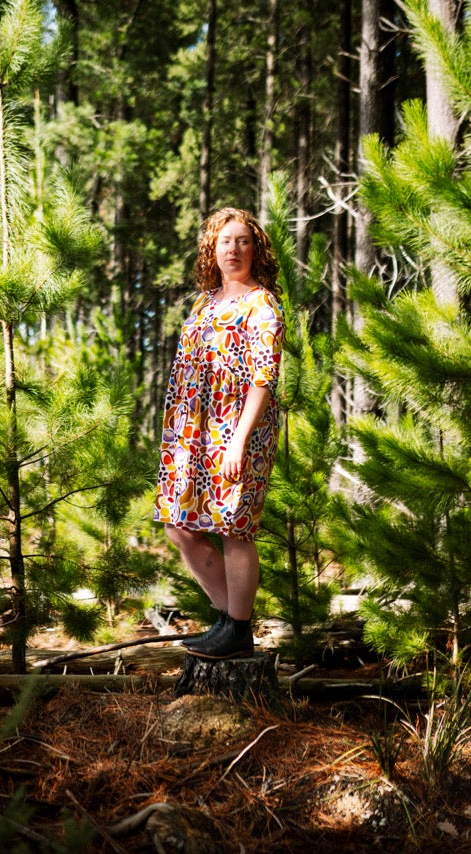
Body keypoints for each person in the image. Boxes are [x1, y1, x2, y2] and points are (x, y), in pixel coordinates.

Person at [155, 207, 285, 660]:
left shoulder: (261, 303)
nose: (234, 249)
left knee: (235, 528)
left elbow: (262, 379)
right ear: (213, 249)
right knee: (179, 526)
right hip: (193, 434)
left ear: (256, 250)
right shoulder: (204, 303)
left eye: (243, 241)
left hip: (237, 430)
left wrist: (239, 440)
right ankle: (229, 622)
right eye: (225, 241)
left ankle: (237, 630)